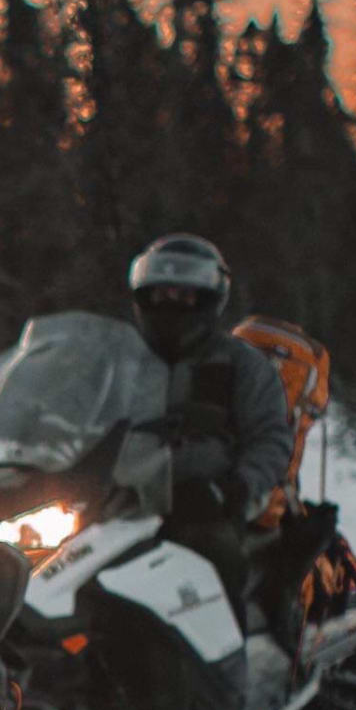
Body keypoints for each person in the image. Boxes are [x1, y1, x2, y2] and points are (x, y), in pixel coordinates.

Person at [124, 233, 295, 642]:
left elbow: (271, 438)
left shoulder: (240, 364)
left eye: (184, 295)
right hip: (119, 494)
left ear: (210, 297)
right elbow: (69, 410)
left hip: (203, 501)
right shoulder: (119, 361)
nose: (170, 303)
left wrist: (237, 486)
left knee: (212, 558)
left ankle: (224, 671)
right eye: (161, 292)